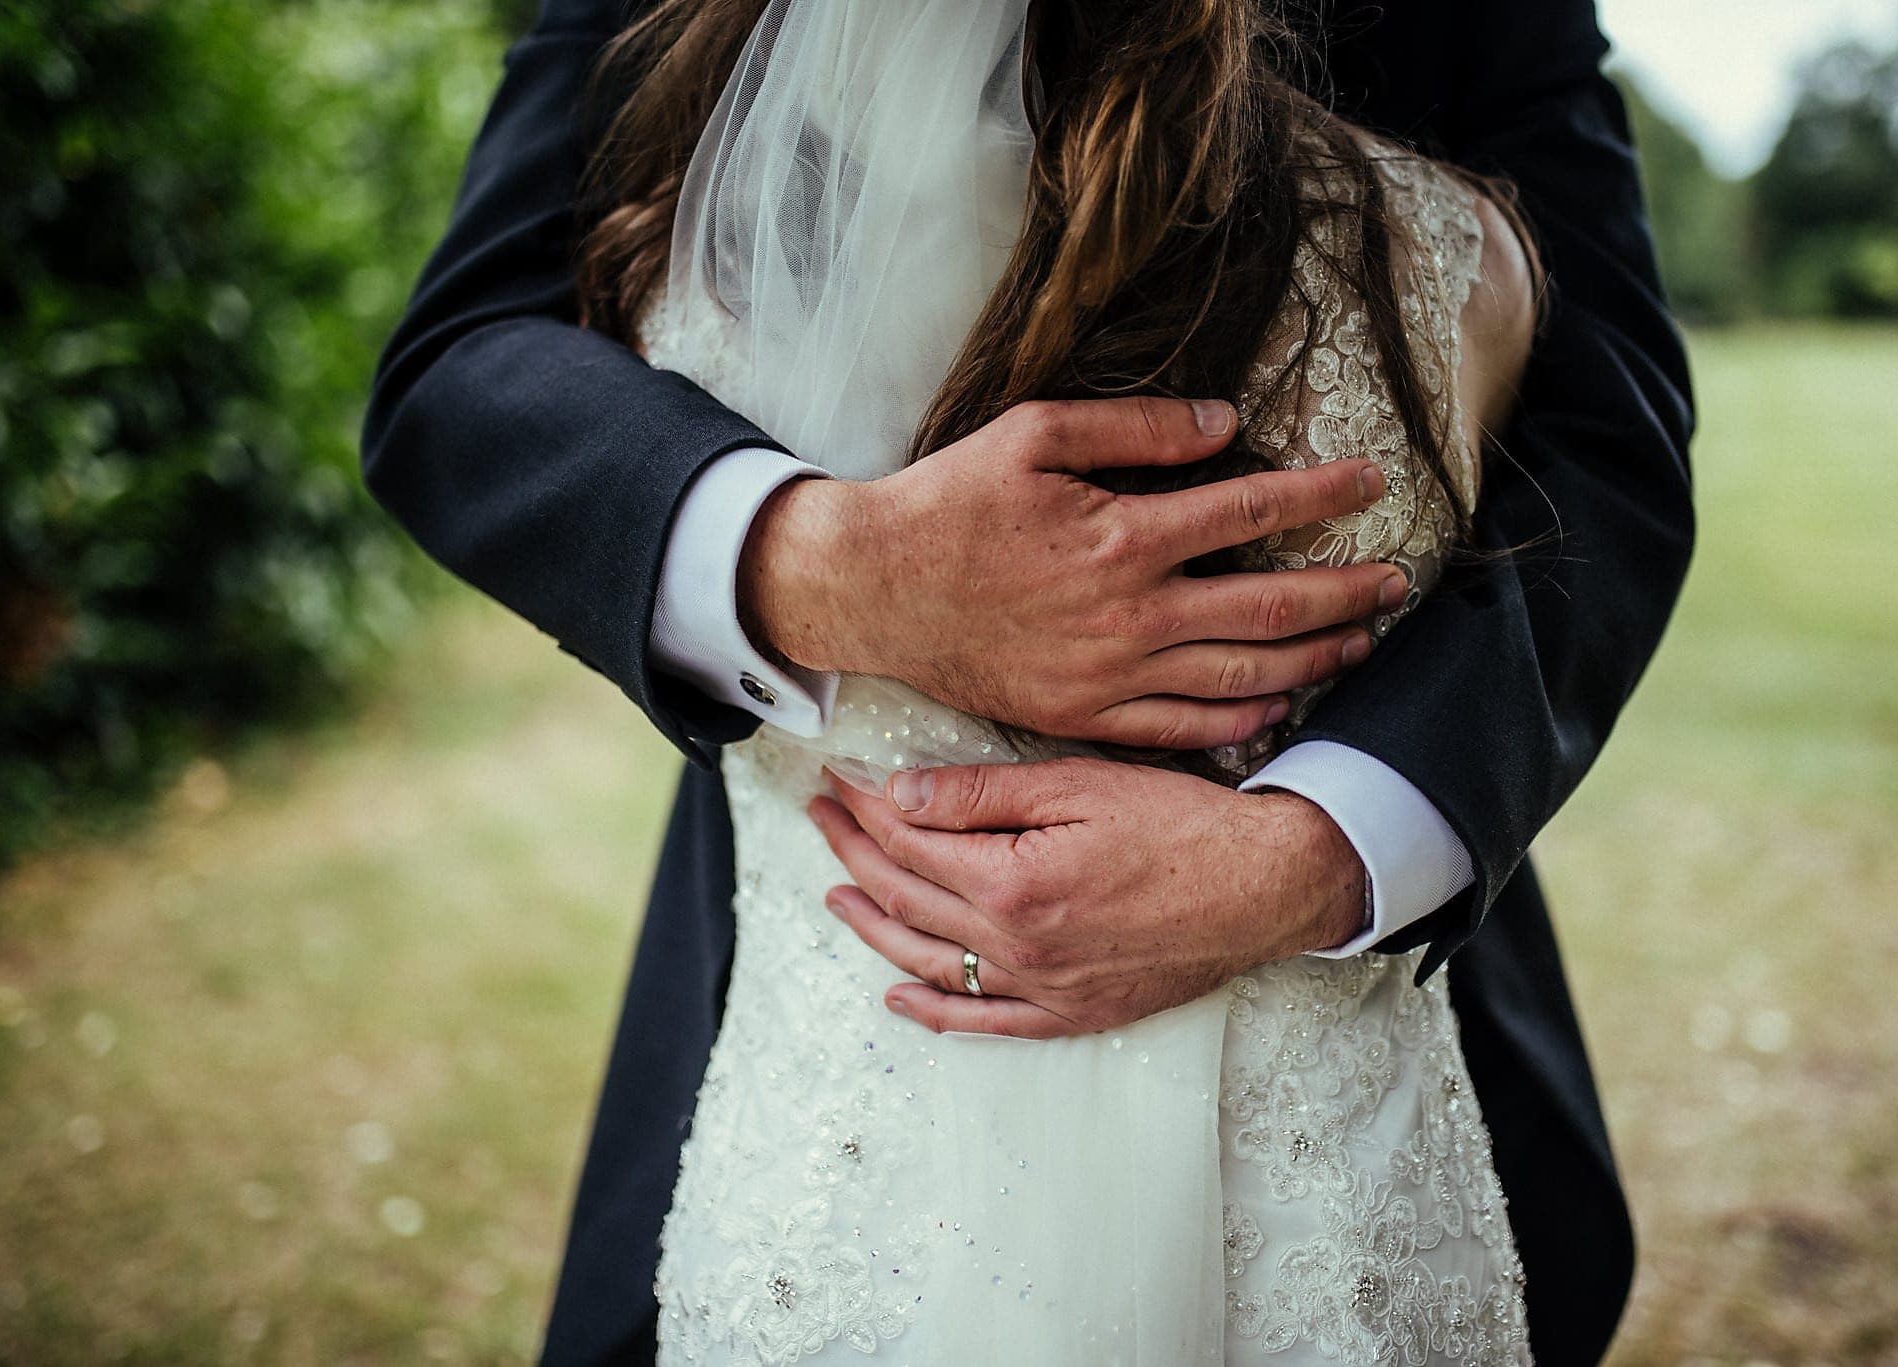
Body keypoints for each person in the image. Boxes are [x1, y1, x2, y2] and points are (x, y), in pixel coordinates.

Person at [361, 0, 1695, 1363]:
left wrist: (1324, 848)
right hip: (828, 1063)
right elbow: (459, 367)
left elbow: (1613, 427)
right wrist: (829, 565)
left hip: (1336, 1093)